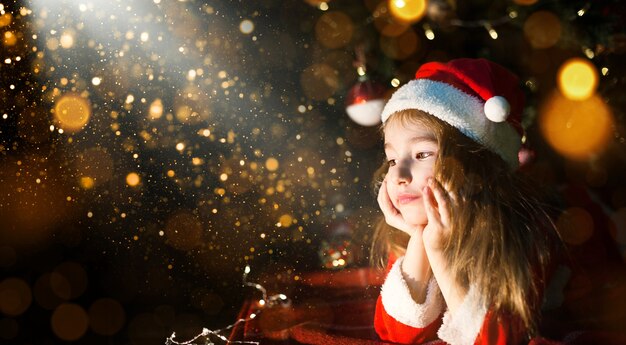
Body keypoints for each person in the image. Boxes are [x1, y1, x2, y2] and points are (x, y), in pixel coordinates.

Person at [371, 58, 564, 345]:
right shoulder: (412, 232)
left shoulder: (513, 237)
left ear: (476, 173)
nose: (398, 174)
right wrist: (419, 242)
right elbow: (395, 334)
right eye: (393, 159)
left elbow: (496, 340)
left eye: (422, 154)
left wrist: (439, 253)